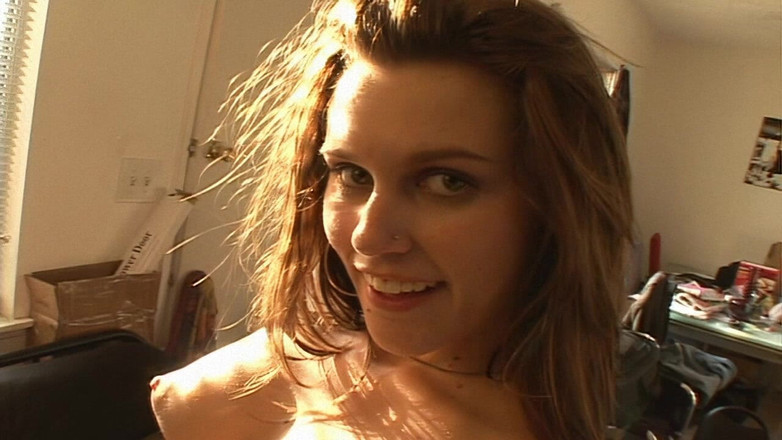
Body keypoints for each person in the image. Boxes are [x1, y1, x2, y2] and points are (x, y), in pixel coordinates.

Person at [150, 0, 633, 439]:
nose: (368, 235)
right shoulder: (297, 353)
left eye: (446, 181)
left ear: (556, 207)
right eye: (352, 173)